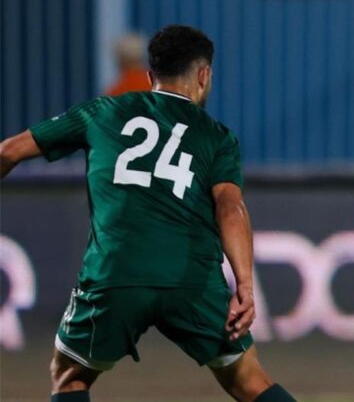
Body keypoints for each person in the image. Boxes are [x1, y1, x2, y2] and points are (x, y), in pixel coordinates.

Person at [0, 25, 295, 402]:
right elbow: (230, 207)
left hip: (115, 274)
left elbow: (8, 151)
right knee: (248, 380)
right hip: (192, 279)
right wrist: (246, 286)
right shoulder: (217, 137)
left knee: (70, 376)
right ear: (204, 75)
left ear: (151, 74)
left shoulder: (103, 110)